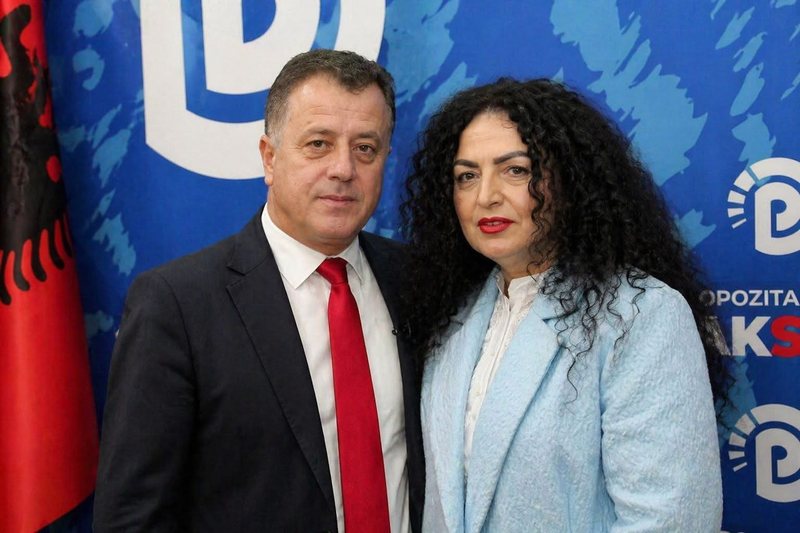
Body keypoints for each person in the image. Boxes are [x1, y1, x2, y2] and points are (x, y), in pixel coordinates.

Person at [94, 50, 423, 532]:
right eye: (318, 144)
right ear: (270, 157)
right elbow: (132, 518)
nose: (343, 168)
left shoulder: (416, 281)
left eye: (365, 148)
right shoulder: (177, 305)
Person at [402, 78, 726, 532]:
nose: (486, 195)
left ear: (571, 180)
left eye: (516, 170)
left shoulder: (640, 314)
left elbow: (670, 519)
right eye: (466, 176)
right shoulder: (452, 318)